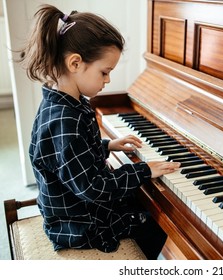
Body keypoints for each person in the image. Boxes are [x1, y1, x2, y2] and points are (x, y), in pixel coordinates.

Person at [19, 4, 180, 259]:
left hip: (77, 205)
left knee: (142, 201)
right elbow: (93, 187)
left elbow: (69, 157)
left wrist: (107, 146)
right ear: (75, 63)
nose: (108, 81)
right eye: (105, 72)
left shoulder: (65, 102)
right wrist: (144, 170)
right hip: (79, 223)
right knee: (154, 225)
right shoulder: (64, 121)